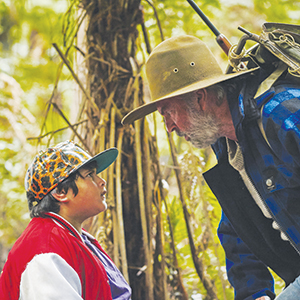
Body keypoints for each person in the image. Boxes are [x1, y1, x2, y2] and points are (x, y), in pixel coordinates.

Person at [122, 35, 300, 300]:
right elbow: (238, 231)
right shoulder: (226, 147)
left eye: (167, 112)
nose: (169, 127)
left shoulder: (281, 113)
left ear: (200, 98)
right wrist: (255, 294)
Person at [0, 140, 131, 300]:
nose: (101, 181)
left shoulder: (72, 236)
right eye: (90, 175)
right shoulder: (45, 252)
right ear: (61, 191)